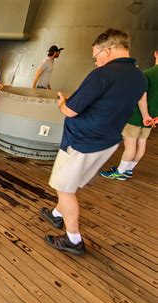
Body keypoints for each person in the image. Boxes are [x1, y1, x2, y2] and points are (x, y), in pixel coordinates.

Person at [40, 29, 147, 256]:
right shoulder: (139, 77)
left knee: (64, 189)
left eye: (96, 55)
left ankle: (73, 239)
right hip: (107, 142)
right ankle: (57, 215)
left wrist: (62, 103)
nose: (96, 61)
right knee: (72, 182)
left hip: (81, 142)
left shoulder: (102, 74)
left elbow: (70, 110)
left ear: (107, 50)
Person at [100, 50, 157, 180]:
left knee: (130, 145)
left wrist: (145, 116)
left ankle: (120, 172)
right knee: (141, 145)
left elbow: (141, 97)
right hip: (152, 118)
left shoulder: (147, 74)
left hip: (138, 115)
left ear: (155, 54)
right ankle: (128, 169)